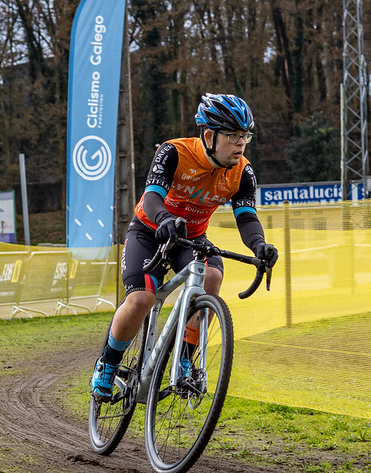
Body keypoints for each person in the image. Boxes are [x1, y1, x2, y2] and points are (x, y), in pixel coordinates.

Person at [90, 92, 278, 402]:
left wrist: (259, 245)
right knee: (141, 299)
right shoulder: (174, 152)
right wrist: (164, 217)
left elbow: (246, 217)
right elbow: (151, 197)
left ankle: (184, 358)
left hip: (190, 238)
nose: (241, 143)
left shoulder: (242, 172)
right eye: (232, 135)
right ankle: (108, 363)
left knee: (213, 278)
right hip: (150, 232)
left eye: (245, 135)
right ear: (208, 135)